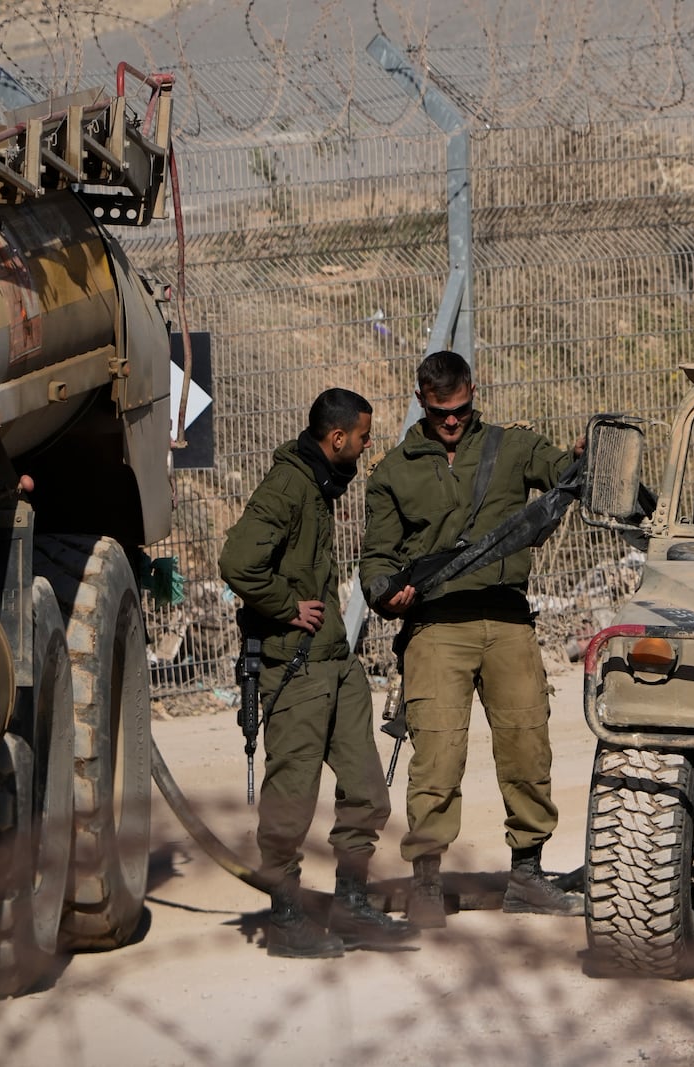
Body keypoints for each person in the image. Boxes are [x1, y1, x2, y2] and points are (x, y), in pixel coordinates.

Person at [360, 350, 585, 927]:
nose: (452, 422)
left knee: (527, 745)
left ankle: (528, 875)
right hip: (436, 627)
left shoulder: (510, 447)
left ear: (473, 394)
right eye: (440, 414)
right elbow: (378, 559)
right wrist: (387, 592)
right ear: (421, 402)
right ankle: (428, 883)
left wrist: (585, 456)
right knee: (436, 755)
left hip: (507, 621)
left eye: (460, 410)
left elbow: (565, 471)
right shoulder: (393, 471)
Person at [219, 388, 416, 958]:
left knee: (366, 792)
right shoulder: (288, 486)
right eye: (362, 436)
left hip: (334, 662)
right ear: (337, 439)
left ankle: (352, 907)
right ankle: (285, 918)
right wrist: (285, 605)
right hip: (297, 666)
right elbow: (237, 562)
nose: (367, 444)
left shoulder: (317, 484)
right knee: (292, 796)